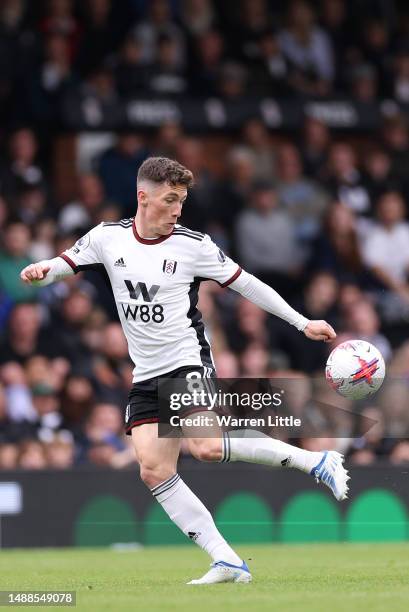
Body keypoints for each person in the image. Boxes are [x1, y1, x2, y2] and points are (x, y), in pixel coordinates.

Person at [20, 157, 348, 585]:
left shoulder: (193, 245)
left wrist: (302, 323)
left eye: (183, 201)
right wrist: (44, 270)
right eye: (171, 200)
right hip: (145, 373)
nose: (178, 210)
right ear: (144, 197)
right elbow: (64, 262)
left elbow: (248, 284)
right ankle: (226, 560)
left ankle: (316, 461)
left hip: (185, 359)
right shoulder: (107, 238)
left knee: (206, 447)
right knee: (153, 469)